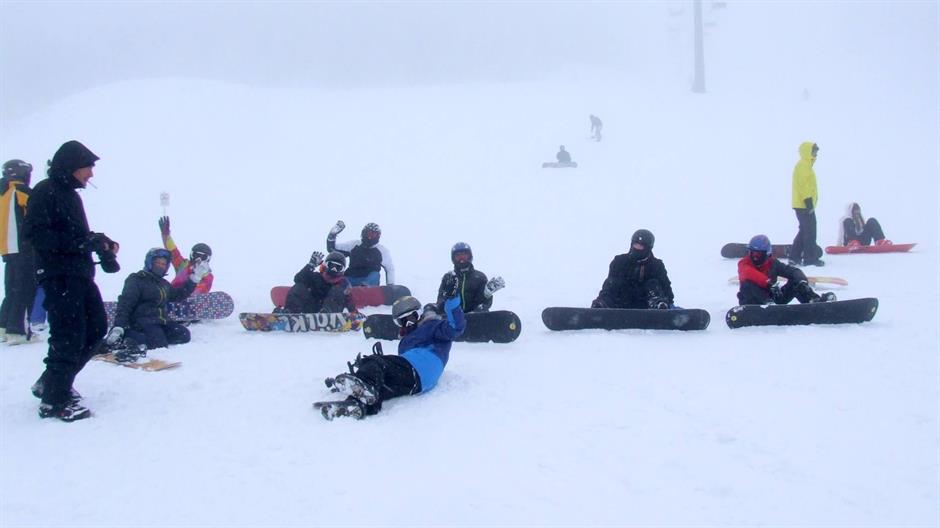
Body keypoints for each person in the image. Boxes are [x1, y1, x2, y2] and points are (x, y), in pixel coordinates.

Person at [24, 140, 121, 422]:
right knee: (69, 336)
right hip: (59, 275)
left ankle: (50, 383)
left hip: (78, 274)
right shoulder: (45, 191)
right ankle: (54, 401)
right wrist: (80, 244)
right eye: (87, 167)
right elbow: (37, 236)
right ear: (71, 166)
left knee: (95, 329)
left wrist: (97, 241)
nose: (90, 174)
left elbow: (73, 235)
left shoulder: (68, 194)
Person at [316, 278, 466, 420]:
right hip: (417, 383)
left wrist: (452, 301)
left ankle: (361, 383)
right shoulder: (407, 340)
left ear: (420, 315)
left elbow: (456, 327)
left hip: (418, 367)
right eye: (403, 321)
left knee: (375, 362)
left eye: (412, 318)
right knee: (380, 385)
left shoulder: (433, 326)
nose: (408, 324)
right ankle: (357, 405)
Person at [103, 247, 210, 356]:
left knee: (183, 334)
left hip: (160, 321)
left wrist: (195, 278)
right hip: (141, 322)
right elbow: (125, 304)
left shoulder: (163, 283)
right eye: (157, 263)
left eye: (164, 264)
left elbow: (178, 295)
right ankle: (126, 337)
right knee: (159, 343)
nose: (160, 266)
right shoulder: (137, 279)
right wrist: (119, 326)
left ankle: (147, 339)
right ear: (149, 262)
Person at [0, 159, 39, 344]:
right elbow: (36, 213)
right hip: (25, 247)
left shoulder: (3, 192)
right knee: (25, 289)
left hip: (7, 249)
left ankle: (4, 327)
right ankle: (19, 331)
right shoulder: (21, 191)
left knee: (12, 289)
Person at [737, 234, 836, 305]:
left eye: (758, 254)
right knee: (747, 284)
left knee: (796, 282)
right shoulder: (744, 263)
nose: (755, 257)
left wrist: (801, 280)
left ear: (767, 254)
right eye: (752, 253)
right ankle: (767, 305)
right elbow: (747, 273)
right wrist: (768, 283)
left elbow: (793, 271)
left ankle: (813, 301)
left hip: (774, 299)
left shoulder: (773, 263)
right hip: (752, 302)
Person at [591, 229, 674, 309]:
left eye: (641, 246)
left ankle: (659, 306)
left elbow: (666, 288)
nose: (637, 248)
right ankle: (601, 306)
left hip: (645, 304)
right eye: (635, 244)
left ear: (648, 248)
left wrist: (669, 303)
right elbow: (610, 285)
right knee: (613, 282)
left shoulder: (656, 265)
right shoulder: (619, 261)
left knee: (653, 283)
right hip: (621, 301)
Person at [280, 250, 357, 314]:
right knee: (299, 286)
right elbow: (298, 279)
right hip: (311, 307)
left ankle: (326, 314)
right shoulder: (316, 277)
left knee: (338, 291)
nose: (334, 269)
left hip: (331, 311)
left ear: (342, 270)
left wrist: (354, 313)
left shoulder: (343, 283)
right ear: (326, 265)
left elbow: (349, 301)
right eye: (331, 265)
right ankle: (290, 312)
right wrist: (310, 266)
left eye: (338, 267)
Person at [436, 242, 505, 313]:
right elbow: (441, 300)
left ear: (470, 256)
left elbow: (484, 303)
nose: (461, 259)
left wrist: (486, 294)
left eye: (464, 255)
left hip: (475, 318)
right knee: (430, 308)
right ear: (453, 259)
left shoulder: (479, 277)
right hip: (453, 318)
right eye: (458, 256)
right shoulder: (449, 277)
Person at [325, 220, 395, 286]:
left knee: (375, 274)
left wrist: (390, 287)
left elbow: (390, 269)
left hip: (369, 284)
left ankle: (363, 289)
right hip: (350, 280)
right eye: (368, 233)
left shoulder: (382, 251)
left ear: (378, 236)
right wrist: (332, 235)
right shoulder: (354, 245)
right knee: (340, 282)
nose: (369, 237)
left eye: (373, 234)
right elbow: (332, 250)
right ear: (363, 233)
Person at [158, 216, 213, 293]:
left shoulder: (207, 275)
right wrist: (166, 235)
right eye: (196, 255)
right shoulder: (183, 265)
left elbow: (203, 289)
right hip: (175, 296)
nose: (199, 259)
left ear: (208, 259)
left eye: (203, 257)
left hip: (193, 301)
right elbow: (173, 251)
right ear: (192, 255)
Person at [790, 141, 824, 266]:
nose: (816, 153)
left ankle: (794, 256)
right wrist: (809, 202)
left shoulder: (805, 165)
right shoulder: (804, 165)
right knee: (810, 231)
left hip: (801, 204)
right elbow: (803, 185)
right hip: (804, 204)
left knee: (804, 230)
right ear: (807, 151)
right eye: (814, 150)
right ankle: (810, 259)